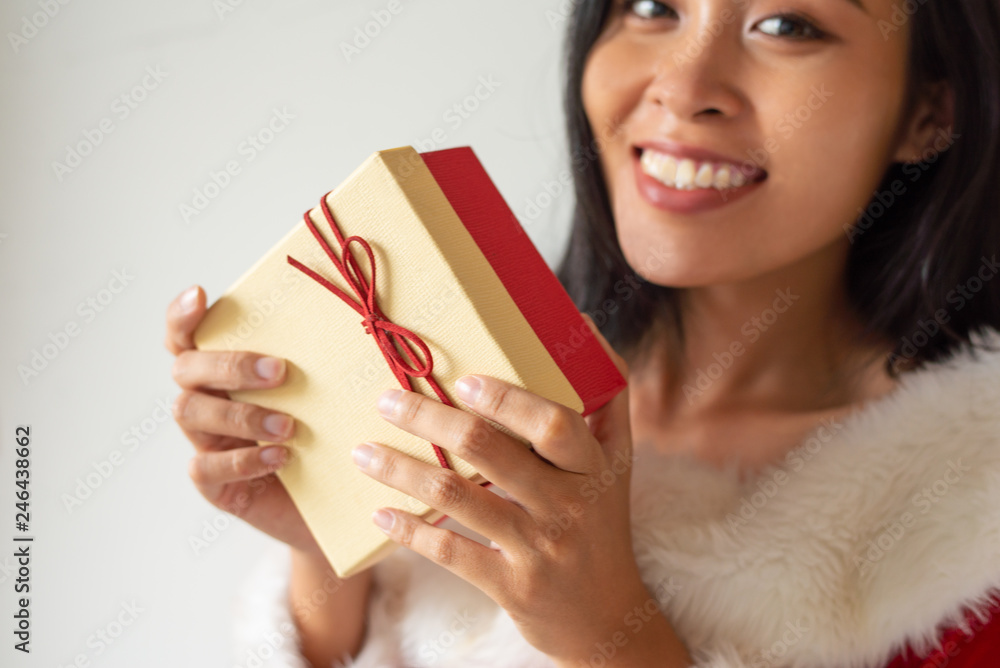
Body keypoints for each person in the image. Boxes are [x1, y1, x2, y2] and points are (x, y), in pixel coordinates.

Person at [165, 0, 1000, 666]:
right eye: (651, 7)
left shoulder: (968, 526)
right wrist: (325, 545)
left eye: (787, 25)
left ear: (930, 112)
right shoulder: (470, 379)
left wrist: (610, 635)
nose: (682, 84)